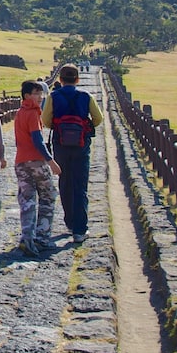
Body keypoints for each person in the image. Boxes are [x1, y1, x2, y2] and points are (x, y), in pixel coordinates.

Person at [42, 64, 103, 243]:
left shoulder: (53, 96)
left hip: (60, 144)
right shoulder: (86, 96)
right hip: (81, 145)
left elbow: (45, 121)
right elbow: (98, 119)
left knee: (65, 182)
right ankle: (79, 228)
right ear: (77, 79)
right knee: (80, 185)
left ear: (60, 79)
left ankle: (69, 221)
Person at [14, 80, 62, 256]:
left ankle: (27, 237)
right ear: (27, 96)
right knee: (48, 196)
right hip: (36, 161)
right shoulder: (33, 113)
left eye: (41, 94)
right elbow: (37, 140)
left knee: (27, 200)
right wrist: (51, 161)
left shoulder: (20, 113)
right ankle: (42, 237)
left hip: (20, 161)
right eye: (37, 93)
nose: (40, 97)